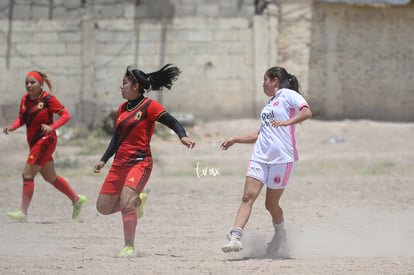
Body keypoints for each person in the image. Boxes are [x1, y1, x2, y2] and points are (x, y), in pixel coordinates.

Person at [94, 64, 196, 257]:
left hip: (140, 163)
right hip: (119, 164)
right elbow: (117, 138)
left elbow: (172, 121)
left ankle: (128, 246)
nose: (120, 87)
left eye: (124, 83)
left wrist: (182, 136)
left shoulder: (149, 106)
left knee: (125, 201)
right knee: (103, 208)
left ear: (135, 87)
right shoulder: (122, 108)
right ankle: (137, 203)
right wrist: (104, 159)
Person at [220, 66, 312, 258]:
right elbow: (262, 134)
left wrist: (287, 123)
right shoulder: (269, 104)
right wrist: (236, 139)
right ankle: (235, 236)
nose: (263, 85)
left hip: (282, 159)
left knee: (271, 205)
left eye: (265, 80)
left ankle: (280, 233)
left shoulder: (288, 95)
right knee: (247, 197)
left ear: (275, 80)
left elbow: (306, 112)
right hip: (260, 156)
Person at [3, 70, 86, 223]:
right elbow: (22, 119)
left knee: (27, 174)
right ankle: (76, 199)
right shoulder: (25, 100)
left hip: (45, 140)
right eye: (26, 83)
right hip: (35, 142)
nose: (29, 85)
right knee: (51, 178)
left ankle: (23, 213)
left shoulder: (48, 99)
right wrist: (12, 127)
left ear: (41, 84)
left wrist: (52, 127)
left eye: (32, 82)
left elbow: (66, 115)